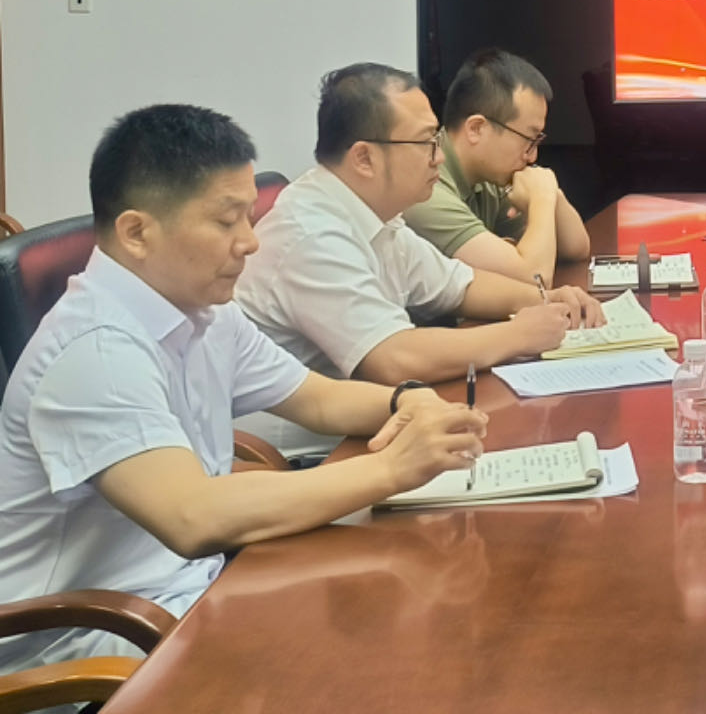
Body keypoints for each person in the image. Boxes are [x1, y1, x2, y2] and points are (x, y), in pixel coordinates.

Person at [0, 105, 485, 675]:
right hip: (90, 642)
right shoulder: (94, 351)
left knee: (402, 606)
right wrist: (392, 468)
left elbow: (318, 399)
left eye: (249, 218)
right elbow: (193, 517)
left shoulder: (202, 310)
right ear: (136, 232)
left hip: (191, 587)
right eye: (227, 222)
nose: (250, 243)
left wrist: (408, 399)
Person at [236, 64, 603, 396]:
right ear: (364, 158)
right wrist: (519, 334)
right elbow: (393, 359)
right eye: (425, 143)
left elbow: (461, 286)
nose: (439, 156)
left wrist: (546, 300)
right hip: (315, 443)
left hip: (376, 415)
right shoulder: (312, 235)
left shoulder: (378, 217)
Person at [403, 49, 591, 281]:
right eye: (528, 139)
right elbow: (535, 279)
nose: (532, 157)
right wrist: (541, 199)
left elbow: (576, 249)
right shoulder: (425, 190)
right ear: (476, 129)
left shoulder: (489, 177)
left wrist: (550, 192)